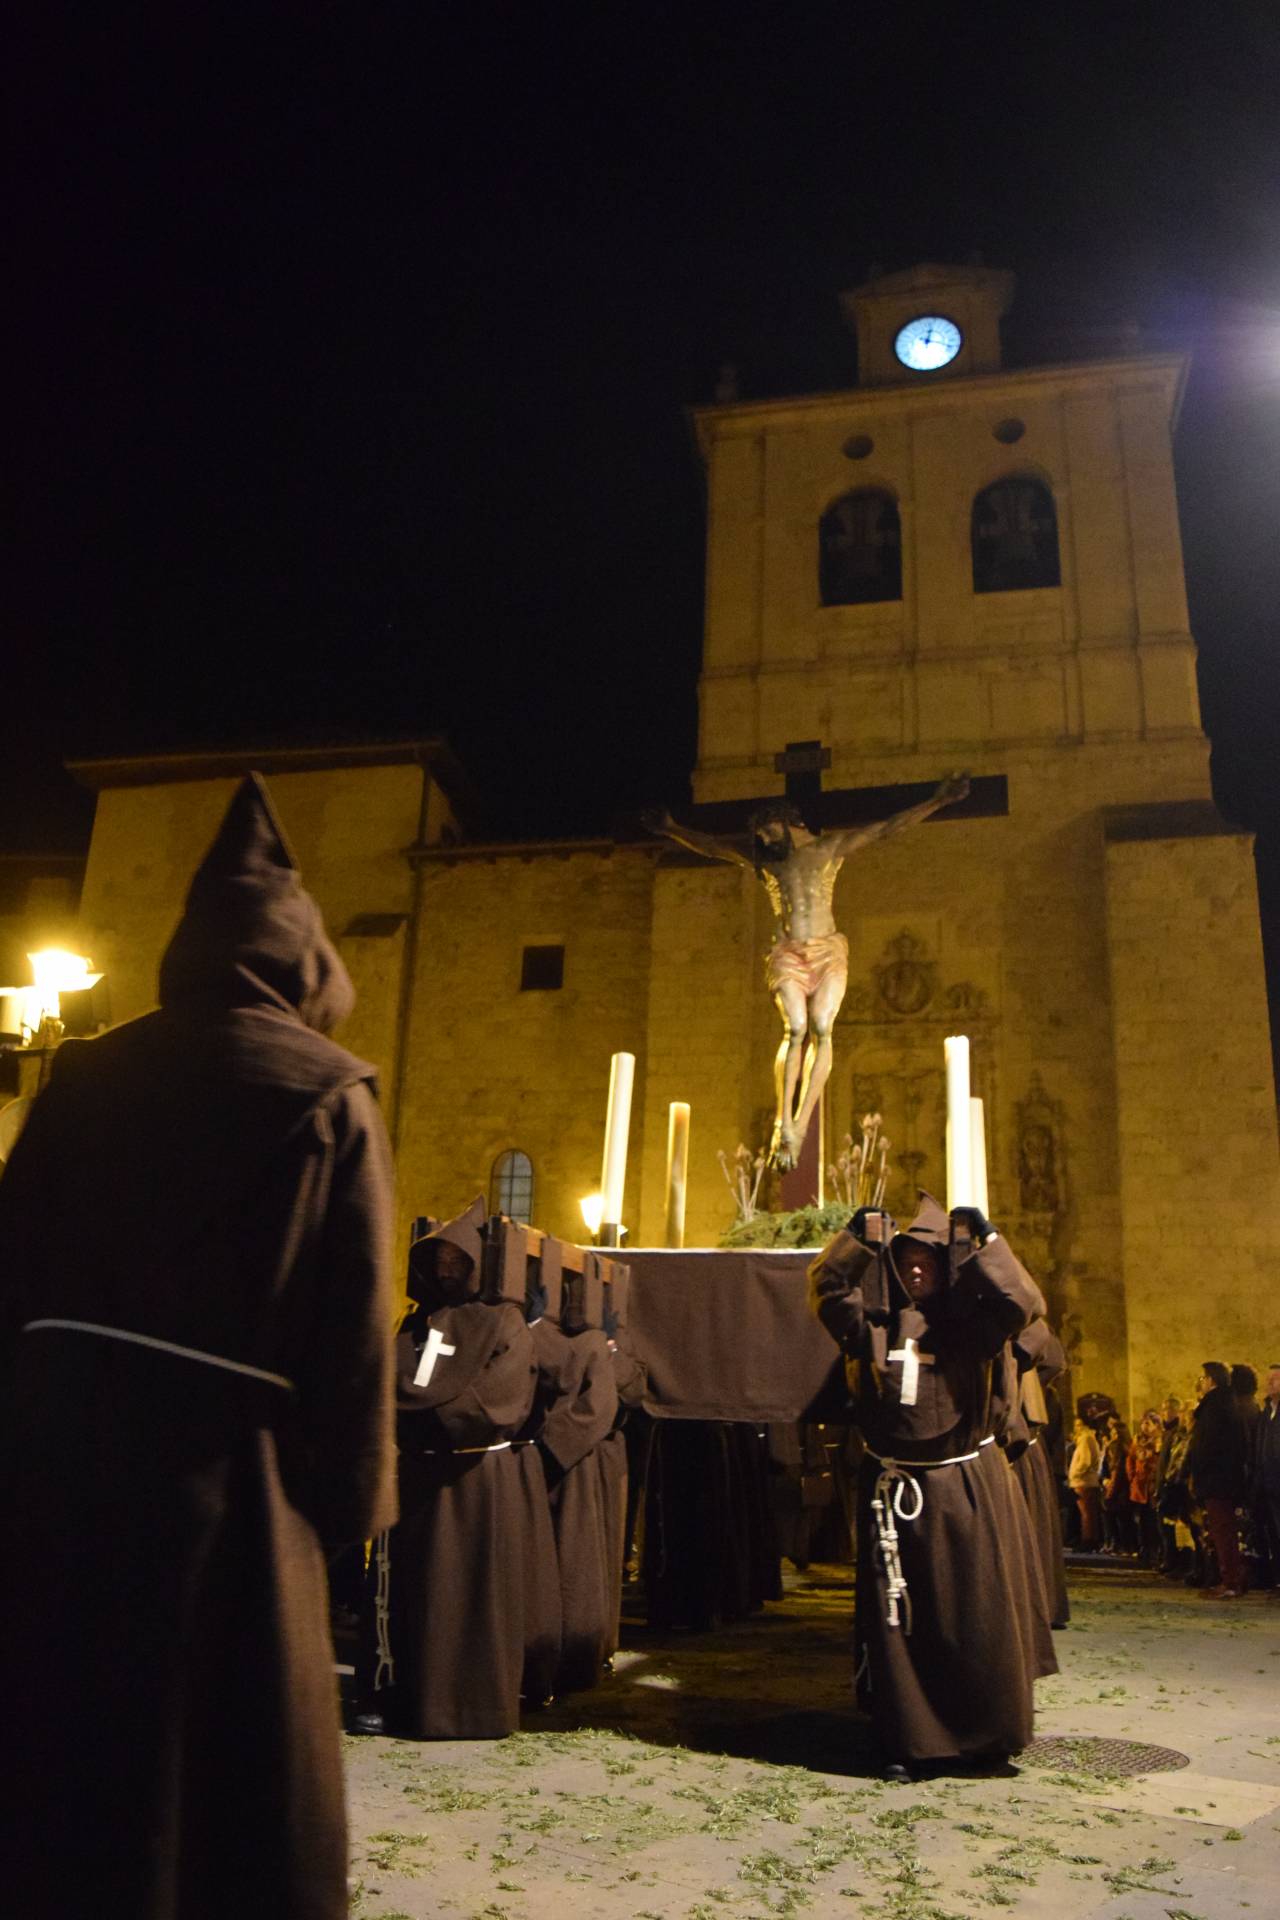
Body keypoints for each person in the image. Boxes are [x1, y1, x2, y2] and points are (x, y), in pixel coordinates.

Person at [0, 775, 398, 1920]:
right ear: (304, 961)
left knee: (67, 1746)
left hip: (62, 1469)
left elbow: (12, 1266)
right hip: (228, 1483)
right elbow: (353, 1320)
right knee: (223, 1764)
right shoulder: (331, 1095)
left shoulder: (81, 1078)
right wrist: (345, 1507)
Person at [808, 1192, 1047, 1777]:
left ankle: (985, 1737)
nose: (917, 1268)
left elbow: (1024, 1304)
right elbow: (827, 1289)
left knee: (975, 1618)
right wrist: (856, 1239)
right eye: (907, 1258)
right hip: (895, 1491)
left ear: (948, 1267)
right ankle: (910, 1741)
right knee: (901, 1626)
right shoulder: (870, 1327)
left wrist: (989, 1243)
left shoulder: (976, 1327)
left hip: (967, 1485)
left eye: (930, 1260)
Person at [645, 773, 968, 1167]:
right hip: (788, 954)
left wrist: (937, 802)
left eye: (767, 831)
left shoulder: (830, 849)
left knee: (821, 1027)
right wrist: (673, 829)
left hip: (826, 952)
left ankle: (801, 1121)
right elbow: (712, 847)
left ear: (788, 823)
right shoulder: (765, 864)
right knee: (794, 1027)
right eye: (760, 835)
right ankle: (785, 1122)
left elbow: (886, 828)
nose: (762, 840)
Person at [1184, 1360, 1248, 1596]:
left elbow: (1209, 1447)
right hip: (1218, 1480)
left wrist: (1199, 1472)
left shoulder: (1217, 1407)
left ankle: (1231, 1581)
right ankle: (1228, 1577)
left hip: (1218, 1481)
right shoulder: (1220, 1405)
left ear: (1211, 1380)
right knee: (1220, 1532)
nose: (1200, 1384)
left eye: (1202, 1379)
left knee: (1224, 1532)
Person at [1257, 1364, 1280, 1588]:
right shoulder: (1266, 1411)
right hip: (1268, 1483)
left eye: (1275, 1379)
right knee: (1274, 1531)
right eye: (1269, 1379)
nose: (1270, 1383)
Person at [1068, 1416, 1102, 1547]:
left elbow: (1084, 1461)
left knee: (1086, 1514)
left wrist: (1075, 1474)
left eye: (1078, 1425)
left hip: (1083, 1481)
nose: (1076, 1428)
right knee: (1090, 1513)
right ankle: (1092, 1539)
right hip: (1089, 1481)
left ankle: (1088, 1541)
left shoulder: (1085, 1439)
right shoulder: (1090, 1438)